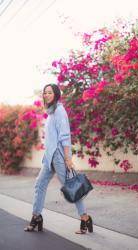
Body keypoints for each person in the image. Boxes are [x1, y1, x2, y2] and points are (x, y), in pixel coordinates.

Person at [24, 83, 93, 234]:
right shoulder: (50, 112)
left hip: (60, 158)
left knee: (72, 189)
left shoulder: (60, 111)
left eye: (49, 92)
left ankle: (85, 218)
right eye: (44, 93)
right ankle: (37, 216)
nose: (46, 95)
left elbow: (65, 136)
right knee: (39, 184)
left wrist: (68, 159)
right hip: (49, 158)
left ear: (56, 94)